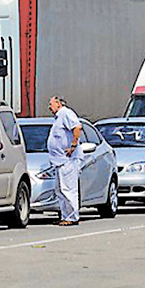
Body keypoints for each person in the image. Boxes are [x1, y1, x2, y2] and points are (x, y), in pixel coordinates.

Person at [47, 96, 83, 226]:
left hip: (68, 159)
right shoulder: (58, 117)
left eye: (51, 104)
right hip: (59, 160)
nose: (49, 107)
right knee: (60, 189)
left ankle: (73, 217)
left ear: (58, 103)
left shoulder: (66, 113)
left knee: (69, 189)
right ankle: (65, 215)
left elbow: (77, 127)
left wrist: (73, 145)